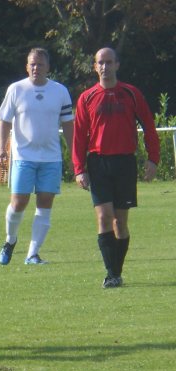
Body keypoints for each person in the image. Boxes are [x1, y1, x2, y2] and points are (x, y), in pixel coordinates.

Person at [72, 47, 160, 288]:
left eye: (109, 62)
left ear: (117, 65)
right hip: (98, 163)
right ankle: (111, 274)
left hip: (125, 163)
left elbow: (149, 128)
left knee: (120, 222)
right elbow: (79, 136)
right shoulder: (87, 98)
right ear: (95, 66)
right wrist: (79, 168)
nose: (105, 67)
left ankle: (116, 271)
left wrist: (153, 159)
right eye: (100, 62)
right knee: (104, 217)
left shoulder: (131, 94)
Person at [0, 47, 74, 265]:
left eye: (40, 64)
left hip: (51, 158)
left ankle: (33, 253)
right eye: (32, 64)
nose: (35, 68)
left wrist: (74, 152)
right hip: (22, 157)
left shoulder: (60, 91)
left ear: (48, 67)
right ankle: (10, 240)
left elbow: (68, 124)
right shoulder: (16, 89)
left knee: (45, 202)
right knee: (19, 202)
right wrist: (2, 149)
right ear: (26, 66)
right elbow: (4, 122)